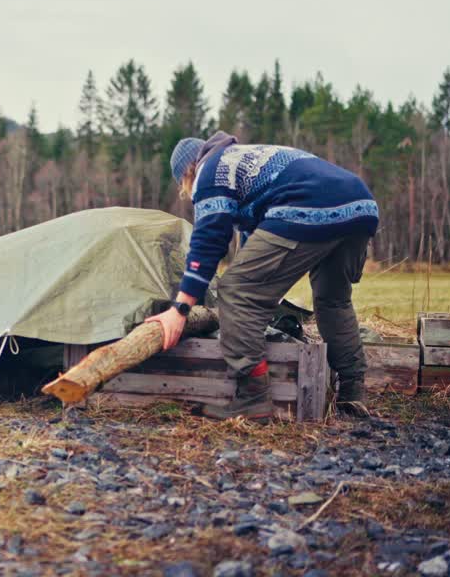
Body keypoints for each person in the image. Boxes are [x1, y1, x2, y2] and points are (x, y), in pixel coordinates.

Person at [146, 131, 379, 420]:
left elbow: (208, 244)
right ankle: (352, 393)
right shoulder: (246, 158)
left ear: (187, 174)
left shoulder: (211, 171)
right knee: (333, 300)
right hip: (361, 206)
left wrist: (180, 309)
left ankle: (252, 396)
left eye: (184, 187)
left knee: (234, 290)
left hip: (310, 206)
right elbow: (253, 254)